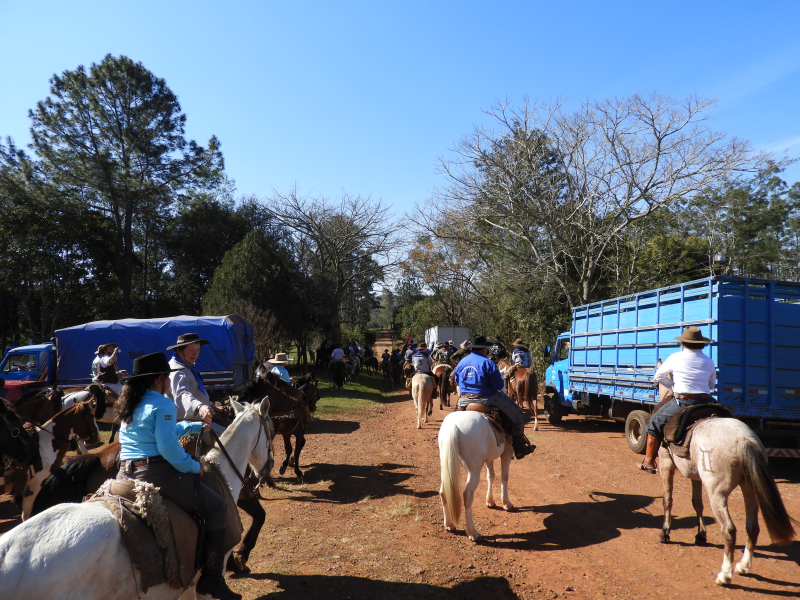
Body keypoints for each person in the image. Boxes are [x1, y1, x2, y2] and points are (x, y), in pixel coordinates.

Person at [115, 352, 240, 600]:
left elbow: (166, 429)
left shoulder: (132, 402)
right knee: (217, 507)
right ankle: (211, 581)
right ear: (162, 379)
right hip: (156, 473)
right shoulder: (163, 404)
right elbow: (168, 449)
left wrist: (194, 425)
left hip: (124, 472)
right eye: (168, 377)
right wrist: (195, 467)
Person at [639, 326, 717, 474]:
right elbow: (711, 385)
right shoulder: (709, 360)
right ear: (701, 344)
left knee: (653, 423)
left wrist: (672, 386)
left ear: (684, 343)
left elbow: (659, 377)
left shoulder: (675, 357)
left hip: (684, 402)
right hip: (708, 402)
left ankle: (648, 461)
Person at [453, 335, 535, 459]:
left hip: (463, 400)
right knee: (518, 412)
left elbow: (457, 381)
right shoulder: (488, 362)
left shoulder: (462, 362)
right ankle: (519, 448)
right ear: (484, 349)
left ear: (471, 348)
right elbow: (498, 385)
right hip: (486, 398)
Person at [166, 333, 226, 436]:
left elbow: (196, 394)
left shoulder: (186, 367)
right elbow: (182, 395)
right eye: (191, 350)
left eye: (197, 350)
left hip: (197, 420)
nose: (195, 354)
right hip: (186, 426)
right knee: (230, 439)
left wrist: (214, 408)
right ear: (179, 350)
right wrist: (200, 408)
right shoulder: (177, 371)